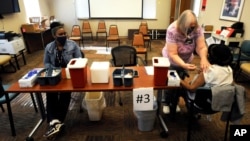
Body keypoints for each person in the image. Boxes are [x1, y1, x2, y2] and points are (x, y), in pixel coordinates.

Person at [161, 9, 210, 115]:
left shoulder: (197, 29)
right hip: (171, 60)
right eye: (189, 27)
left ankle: (175, 101)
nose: (191, 30)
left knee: (180, 82)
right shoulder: (172, 29)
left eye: (193, 27)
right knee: (170, 82)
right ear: (182, 24)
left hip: (186, 59)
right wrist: (183, 64)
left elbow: (201, 47)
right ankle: (166, 102)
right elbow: (173, 53)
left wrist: (204, 58)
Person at [43, 22, 83, 138]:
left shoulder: (72, 45)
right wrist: (55, 71)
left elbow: (79, 60)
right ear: (54, 36)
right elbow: (46, 63)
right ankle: (55, 122)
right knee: (51, 94)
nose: (64, 35)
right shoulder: (49, 47)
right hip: (54, 75)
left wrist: (69, 68)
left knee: (65, 94)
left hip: (70, 75)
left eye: (65, 33)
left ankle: (57, 121)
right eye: (60, 34)